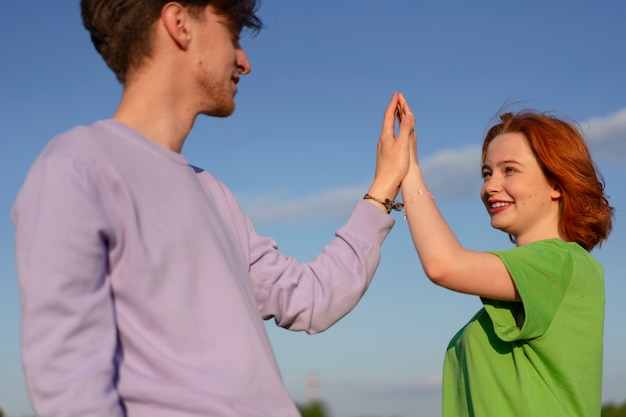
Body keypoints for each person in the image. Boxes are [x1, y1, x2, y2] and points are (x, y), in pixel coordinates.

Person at [11, 1, 412, 416]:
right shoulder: (78, 167)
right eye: (233, 37)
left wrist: (384, 184)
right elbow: (70, 387)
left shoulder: (213, 193)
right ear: (179, 24)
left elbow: (311, 298)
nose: (245, 62)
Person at [387, 96, 614, 416]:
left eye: (510, 170)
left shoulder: (560, 262)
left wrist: (408, 168)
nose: (490, 186)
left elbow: (444, 265)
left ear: (556, 183)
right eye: (486, 173)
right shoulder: (544, 271)